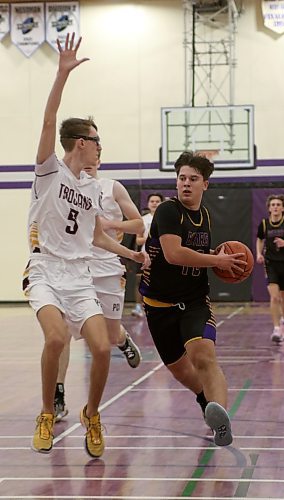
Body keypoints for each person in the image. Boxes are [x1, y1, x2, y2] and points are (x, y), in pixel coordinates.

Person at [23, 33, 149, 457]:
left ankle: (91, 414)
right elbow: (48, 122)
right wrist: (61, 74)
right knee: (56, 339)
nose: (100, 146)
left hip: (80, 275)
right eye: (97, 140)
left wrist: (131, 253)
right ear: (82, 143)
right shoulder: (49, 172)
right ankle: (46, 413)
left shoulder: (94, 188)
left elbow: (96, 236)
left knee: (100, 347)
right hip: (45, 270)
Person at [139, 151, 246, 447]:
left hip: (195, 301)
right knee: (180, 371)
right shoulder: (168, 211)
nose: (186, 183)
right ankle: (205, 399)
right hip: (159, 306)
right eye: (181, 178)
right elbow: (174, 254)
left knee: (203, 355)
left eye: (193, 179)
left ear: (205, 185)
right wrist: (217, 262)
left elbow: (193, 255)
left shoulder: (205, 215)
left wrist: (214, 257)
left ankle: (222, 422)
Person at [54, 160, 144, 422]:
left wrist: (108, 225)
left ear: (99, 161)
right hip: (76, 269)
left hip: (108, 267)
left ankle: (123, 339)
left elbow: (138, 225)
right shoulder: (65, 190)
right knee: (63, 333)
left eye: (94, 160)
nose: (88, 165)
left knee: (111, 334)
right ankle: (58, 395)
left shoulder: (112, 188)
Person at [256, 194, 284, 343]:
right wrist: (258, 253)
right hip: (271, 263)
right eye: (273, 204)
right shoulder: (264, 224)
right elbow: (260, 240)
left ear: (283, 208)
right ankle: (276, 329)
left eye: (278, 204)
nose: (275, 207)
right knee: (274, 297)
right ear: (269, 208)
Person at [131, 193, 164, 318]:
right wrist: (150, 237)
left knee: (161, 281)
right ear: (148, 204)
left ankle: (160, 306)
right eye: (152, 201)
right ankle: (138, 307)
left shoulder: (165, 219)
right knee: (140, 281)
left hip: (162, 255)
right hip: (145, 255)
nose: (155, 203)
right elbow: (138, 240)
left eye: (157, 201)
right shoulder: (142, 220)